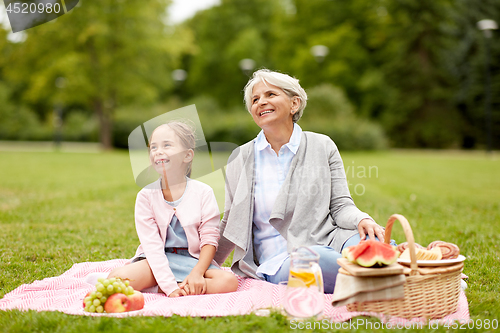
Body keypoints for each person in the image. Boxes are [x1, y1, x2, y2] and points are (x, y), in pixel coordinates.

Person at [214, 69, 386, 293]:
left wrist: (362, 219)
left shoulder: (322, 145)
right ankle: (388, 279)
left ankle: (390, 274)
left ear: (294, 104)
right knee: (318, 261)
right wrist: (201, 264)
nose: (261, 102)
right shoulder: (240, 158)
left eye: (270, 95)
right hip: (279, 259)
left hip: (332, 239)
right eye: (255, 99)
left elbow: (341, 205)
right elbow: (230, 222)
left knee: (375, 245)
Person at [108, 121, 238, 297]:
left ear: (187, 155)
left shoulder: (203, 192)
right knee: (116, 279)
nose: (158, 151)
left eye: (166, 145)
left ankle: (176, 285)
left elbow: (210, 239)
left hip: (193, 262)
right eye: (153, 147)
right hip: (155, 261)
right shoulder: (146, 196)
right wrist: (170, 288)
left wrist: (197, 273)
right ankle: (172, 286)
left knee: (228, 282)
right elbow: (152, 247)